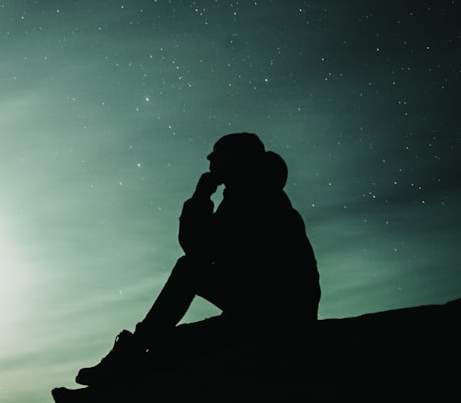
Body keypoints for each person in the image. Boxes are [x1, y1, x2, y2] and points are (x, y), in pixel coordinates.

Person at [71, 133, 320, 388]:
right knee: (172, 342)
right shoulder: (245, 194)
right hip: (264, 310)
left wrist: (201, 196)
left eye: (218, 154)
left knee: (188, 271)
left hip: (274, 312)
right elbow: (204, 249)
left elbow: (198, 251)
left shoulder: (257, 196)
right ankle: (118, 384)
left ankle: (131, 354)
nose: (209, 159)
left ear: (238, 158)